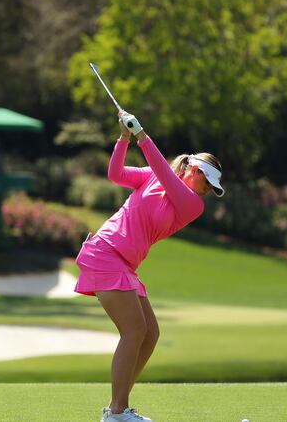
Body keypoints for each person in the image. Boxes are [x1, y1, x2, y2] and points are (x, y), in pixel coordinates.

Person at [75, 110, 224, 422]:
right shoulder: (155, 176)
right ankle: (117, 412)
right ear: (194, 170)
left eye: (212, 187)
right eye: (206, 181)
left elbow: (167, 175)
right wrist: (125, 138)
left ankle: (117, 407)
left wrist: (142, 137)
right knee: (134, 330)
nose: (208, 189)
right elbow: (116, 175)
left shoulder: (192, 204)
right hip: (105, 252)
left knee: (150, 333)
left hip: (124, 263)